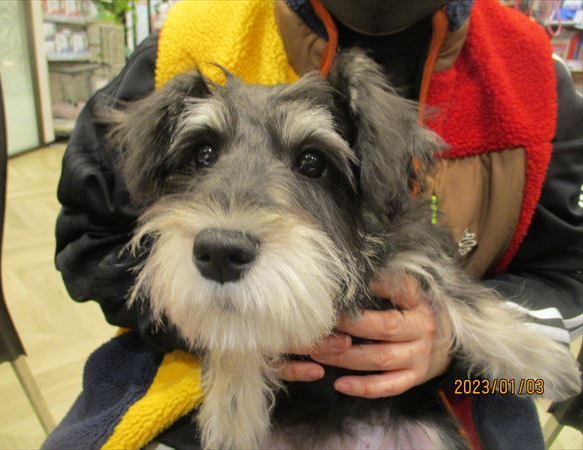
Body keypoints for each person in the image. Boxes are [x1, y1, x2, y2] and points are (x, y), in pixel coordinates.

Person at [45, 0, 582, 449]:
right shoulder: (184, 36)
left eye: (311, 163)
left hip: (458, 382)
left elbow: (567, 285)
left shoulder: (532, 70)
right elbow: (89, 242)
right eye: (202, 155)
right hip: (195, 367)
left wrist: (450, 345)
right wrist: (215, 327)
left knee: (515, 393)